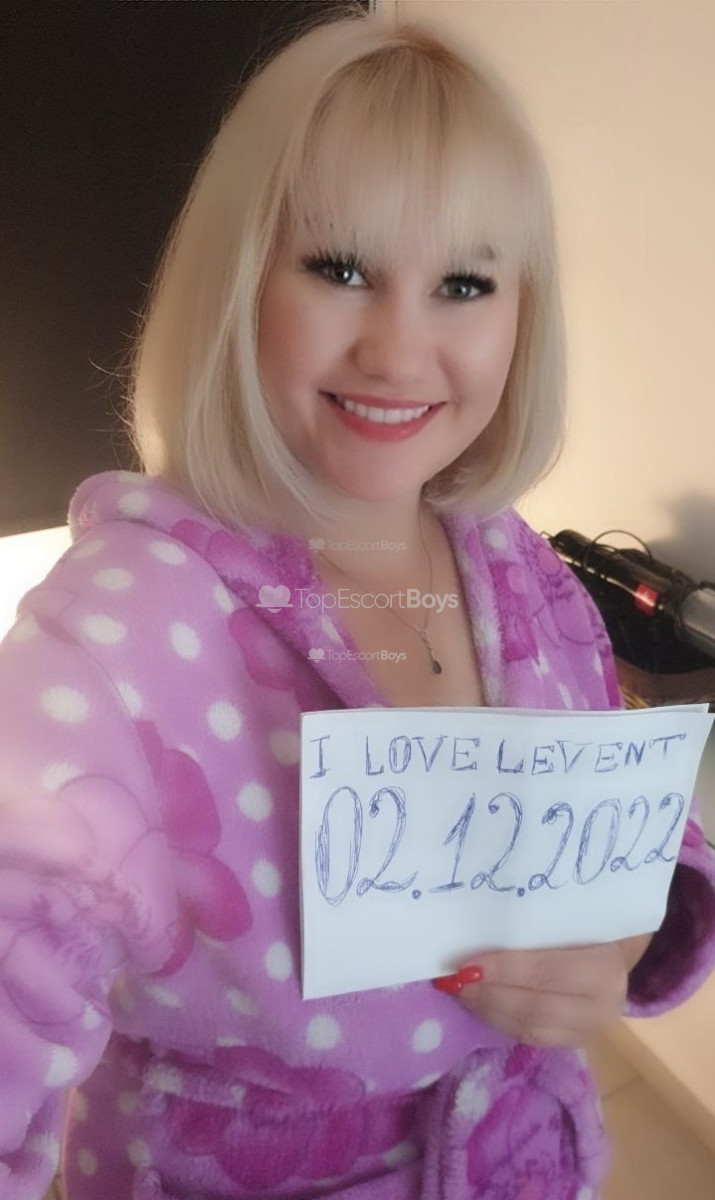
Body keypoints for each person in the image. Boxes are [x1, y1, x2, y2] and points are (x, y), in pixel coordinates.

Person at [1, 5, 714, 1199]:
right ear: (239, 277)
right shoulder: (116, 638)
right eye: (338, 268)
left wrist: (635, 926)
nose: (398, 350)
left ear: (521, 313)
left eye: (463, 284)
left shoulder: (516, 564)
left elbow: (623, 807)